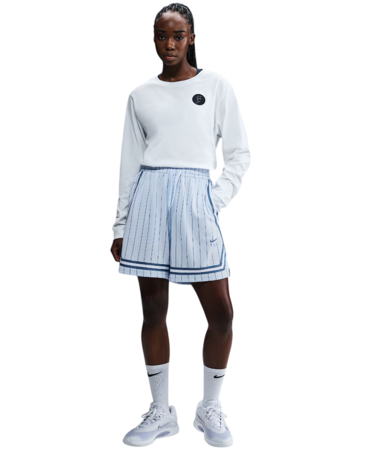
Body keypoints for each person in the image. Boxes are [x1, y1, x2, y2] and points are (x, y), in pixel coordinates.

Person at [110, 3, 250, 447]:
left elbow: (239, 153)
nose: (168, 44)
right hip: (149, 200)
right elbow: (129, 164)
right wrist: (120, 225)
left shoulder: (216, 86)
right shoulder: (140, 95)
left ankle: (210, 406)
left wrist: (213, 199)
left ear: (192, 37)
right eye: (161, 35)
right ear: (153, 38)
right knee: (153, 311)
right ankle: (160, 412)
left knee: (222, 313)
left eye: (177, 35)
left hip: (195, 201)